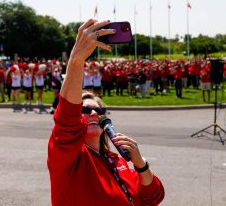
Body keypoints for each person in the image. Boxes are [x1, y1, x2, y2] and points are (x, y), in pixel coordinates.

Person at [47, 19, 165, 206]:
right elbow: (66, 121)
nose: (94, 113)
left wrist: (141, 165)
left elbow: (153, 198)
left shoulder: (115, 159)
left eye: (98, 109)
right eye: (85, 109)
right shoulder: (68, 158)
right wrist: (76, 60)